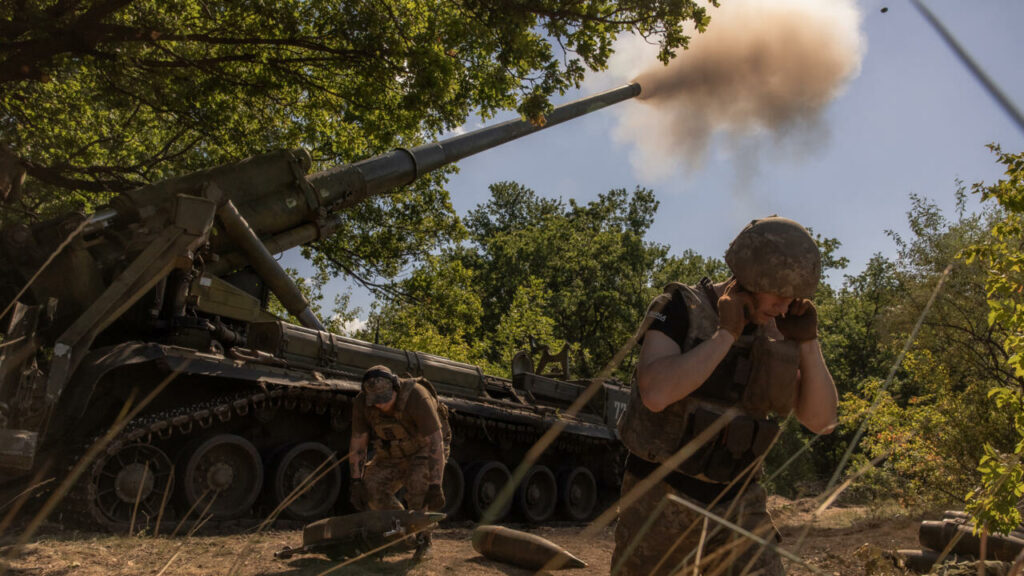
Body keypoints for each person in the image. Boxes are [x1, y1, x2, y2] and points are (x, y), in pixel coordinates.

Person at [612, 216, 839, 576]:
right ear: (752, 276)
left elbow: (822, 421)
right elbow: (655, 393)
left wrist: (809, 343)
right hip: (660, 498)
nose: (785, 306)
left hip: (739, 503)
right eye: (780, 294)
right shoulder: (679, 307)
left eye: (793, 299)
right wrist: (726, 335)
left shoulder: (779, 332)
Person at [348, 365, 449, 559]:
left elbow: (436, 442)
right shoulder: (362, 403)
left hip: (424, 449)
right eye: (375, 401)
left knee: (420, 487)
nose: (381, 405)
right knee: (371, 488)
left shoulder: (417, 397)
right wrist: (355, 481)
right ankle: (402, 534)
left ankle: (423, 540)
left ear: (395, 388)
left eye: (385, 399)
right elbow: (358, 444)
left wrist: (436, 485)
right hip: (392, 453)